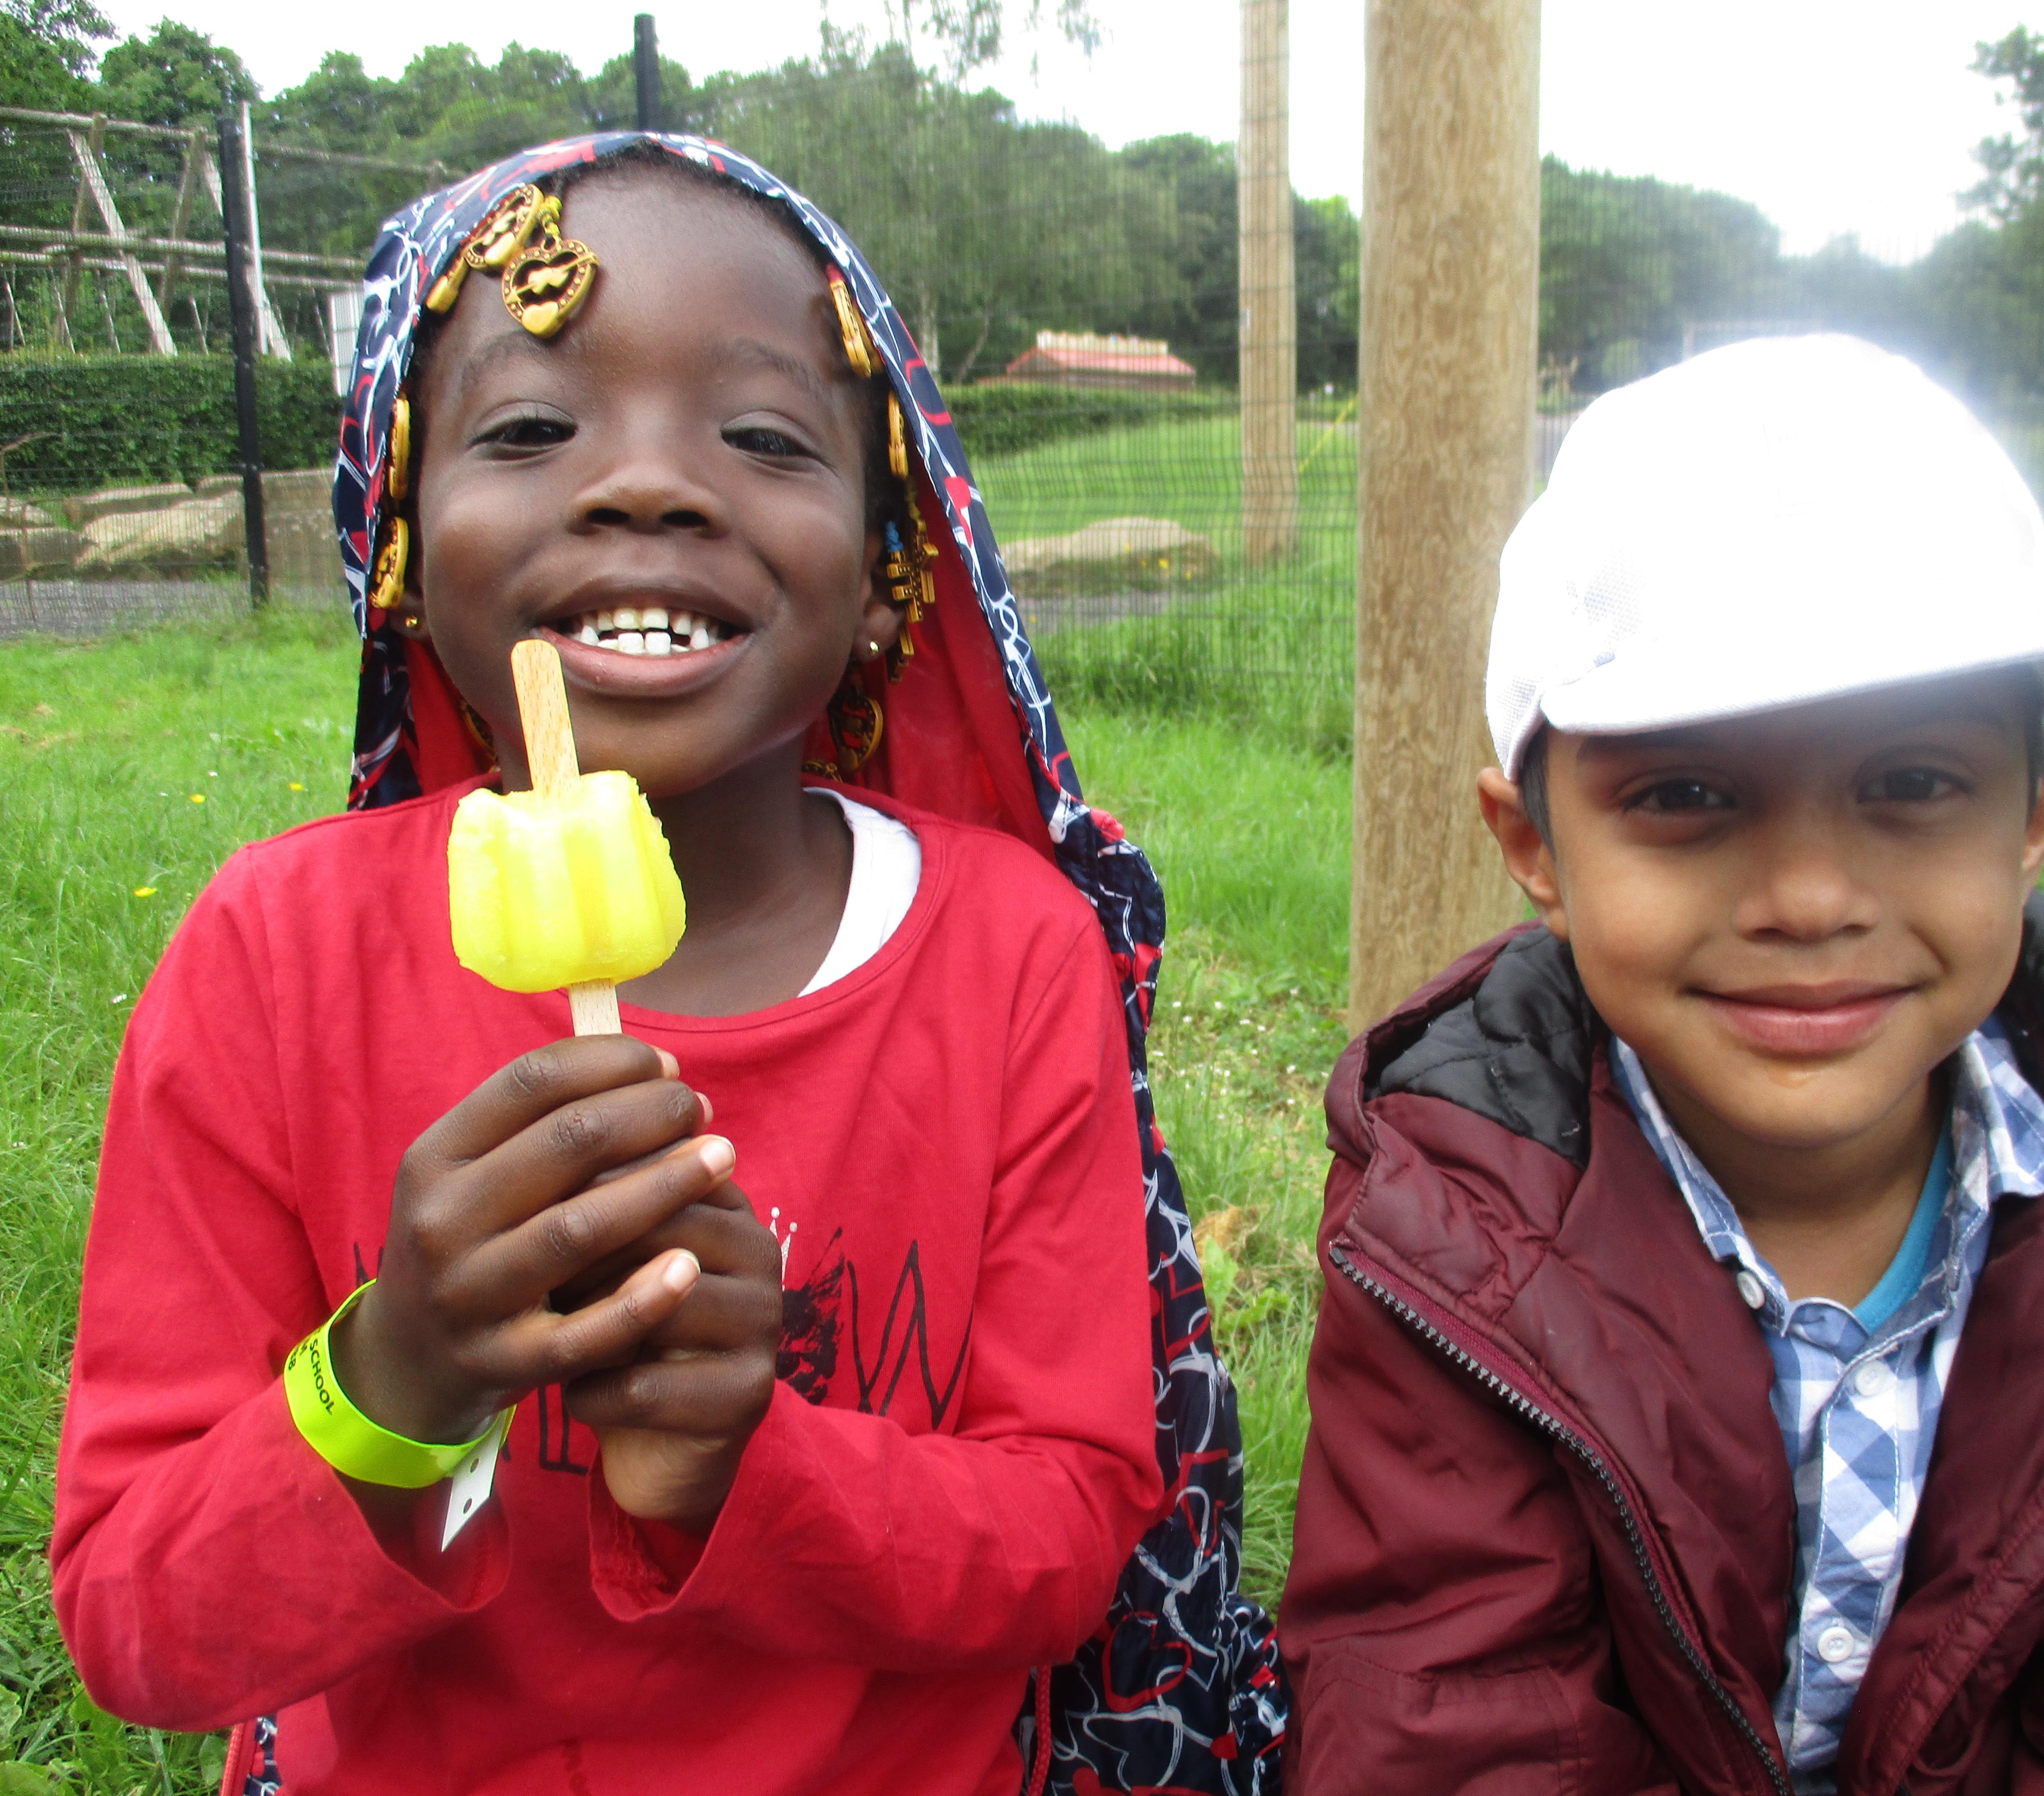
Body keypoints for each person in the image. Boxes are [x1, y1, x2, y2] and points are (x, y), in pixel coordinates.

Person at [53, 135, 1283, 1796]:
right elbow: (141, 1630)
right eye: (529, 430)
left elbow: (1068, 1543)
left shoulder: (1011, 955)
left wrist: (747, 1464)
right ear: (399, 544)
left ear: (890, 570)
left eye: (763, 437)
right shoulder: (275, 959)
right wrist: (395, 1380)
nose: (645, 484)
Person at [1278, 334, 2044, 1795]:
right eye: (1687, 793)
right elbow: (1453, 1732)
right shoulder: (1451, 1225)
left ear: (2040, 804)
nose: (1810, 900)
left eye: (1914, 783)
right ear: (1533, 842)